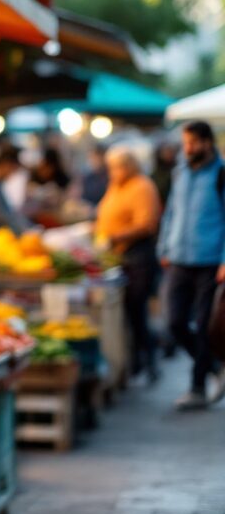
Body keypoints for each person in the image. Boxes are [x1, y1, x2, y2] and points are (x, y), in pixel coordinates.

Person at [157, 120, 225, 410]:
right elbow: (171, 212)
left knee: (202, 323)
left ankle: (197, 387)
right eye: (185, 143)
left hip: (209, 261)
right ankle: (213, 365)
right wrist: (164, 246)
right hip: (179, 258)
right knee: (173, 321)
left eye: (193, 143)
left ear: (207, 142)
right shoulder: (181, 172)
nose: (188, 149)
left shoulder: (221, 174)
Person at [95, 147, 162, 381]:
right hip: (118, 256)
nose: (113, 172)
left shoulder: (142, 187)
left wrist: (115, 237)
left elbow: (147, 224)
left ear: (129, 165)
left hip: (138, 256)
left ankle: (148, 359)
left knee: (136, 309)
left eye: (117, 167)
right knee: (126, 311)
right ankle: (133, 360)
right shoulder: (117, 186)